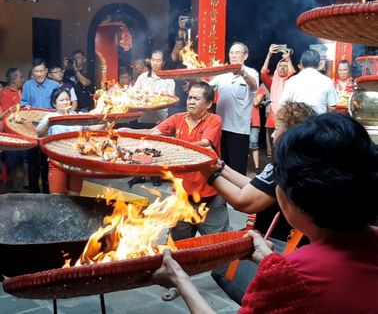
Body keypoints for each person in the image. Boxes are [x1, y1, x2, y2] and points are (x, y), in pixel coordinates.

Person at [152, 113, 378, 313]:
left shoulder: (292, 274)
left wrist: (180, 279)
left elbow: (245, 200)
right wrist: (268, 259)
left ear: (295, 198)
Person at [207, 101, 316, 304]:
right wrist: (219, 166)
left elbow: (244, 202)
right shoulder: (299, 161)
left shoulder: (285, 166)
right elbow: (256, 186)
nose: (273, 135)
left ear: (291, 135)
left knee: (255, 291)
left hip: (279, 243)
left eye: (277, 129)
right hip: (288, 241)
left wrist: (208, 174)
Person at [119, 82, 229, 239]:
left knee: (218, 244)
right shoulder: (178, 118)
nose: (191, 101)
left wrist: (171, 147)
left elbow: (205, 144)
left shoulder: (214, 120)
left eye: (196, 99)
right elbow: (153, 132)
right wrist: (128, 132)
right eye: (190, 97)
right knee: (178, 245)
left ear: (209, 103)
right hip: (182, 195)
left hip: (210, 195)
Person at [36, 88, 103, 195]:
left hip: (76, 161)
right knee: (57, 197)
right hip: (57, 161)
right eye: (61, 100)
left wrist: (108, 118)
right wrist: (49, 123)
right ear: (54, 104)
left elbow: (94, 129)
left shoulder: (78, 116)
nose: (65, 102)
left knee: (75, 196)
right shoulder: (50, 117)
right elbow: (39, 133)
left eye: (67, 99)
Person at [209, 42, 259, 175]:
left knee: (237, 169)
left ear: (245, 56)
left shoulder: (251, 73)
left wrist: (243, 73)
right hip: (220, 129)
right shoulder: (221, 75)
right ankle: (224, 194)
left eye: (237, 52)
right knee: (221, 166)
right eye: (231, 52)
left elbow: (253, 86)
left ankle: (238, 195)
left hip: (239, 131)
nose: (234, 55)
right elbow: (208, 89)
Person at [21, 58, 59, 193]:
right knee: (32, 160)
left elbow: (58, 104)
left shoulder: (55, 85)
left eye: (42, 71)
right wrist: (26, 106)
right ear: (33, 72)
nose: (39, 74)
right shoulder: (27, 85)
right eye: (36, 71)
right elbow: (23, 103)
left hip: (48, 128)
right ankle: (33, 192)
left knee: (47, 161)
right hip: (31, 129)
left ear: (46, 71)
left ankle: (48, 192)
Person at [279, 49, 337, 114]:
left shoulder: (291, 81)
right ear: (320, 64)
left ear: (301, 64)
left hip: (298, 122)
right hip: (318, 122)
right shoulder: (327, 81)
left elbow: (283, 104)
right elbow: (332, 107)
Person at [260, 44, 296, 146]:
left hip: (287, 120)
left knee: (286, 147)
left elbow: (292, 73)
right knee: (274, 149)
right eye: (280, 66)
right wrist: (269, 55)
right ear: (276, 68)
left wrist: (288, 60)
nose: (283, 68)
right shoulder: (272, 82)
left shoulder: (291, 81)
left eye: (285, 66)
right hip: (272, 120)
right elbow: (263, 73)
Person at [0, 68, 28, 192]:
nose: (23, 79)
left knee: (25, 160)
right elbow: (8, 115)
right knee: (13, 163)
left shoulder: (24, 91)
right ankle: (15, 187)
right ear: (12, 80)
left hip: (26, 133)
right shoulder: (5, 93)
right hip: (12, 134)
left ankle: (24, 185)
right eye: (20, 77)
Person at [132, 49, 175, 129]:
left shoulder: (169, 80)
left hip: (161, 120)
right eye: (153, 60)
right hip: (143, 120)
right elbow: (133, 94)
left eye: (158, 60)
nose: (155, 63)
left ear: (163, 63)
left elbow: (171, 100)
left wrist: (160, 97)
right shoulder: (142, 77)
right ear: (150, 61)